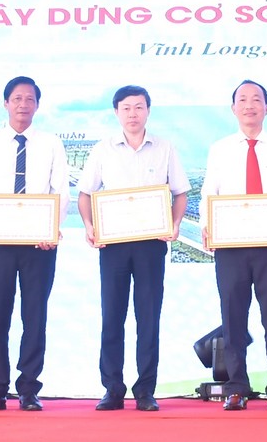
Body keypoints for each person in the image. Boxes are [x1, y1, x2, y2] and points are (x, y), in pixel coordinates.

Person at [78, 86, 189, 412]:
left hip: (151, 245)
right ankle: (112, 389)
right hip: (113, 244)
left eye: (139, 107)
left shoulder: (165, 148)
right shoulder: (103, 149)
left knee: (148, 317)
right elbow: (85, 194)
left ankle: (145, 391)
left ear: (148, 111)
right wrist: (89, 226)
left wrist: (174, 223)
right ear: (116, 112)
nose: (132, 114)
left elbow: (180, 192)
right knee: (112, 316)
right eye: (126, 108)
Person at [0, 76, 70, 412]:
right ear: (6, 103)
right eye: (16, 98)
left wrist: (51, 229)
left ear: (37, 105)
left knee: (34, 316)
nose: (23, 104)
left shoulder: (51, 144)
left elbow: (60, 191)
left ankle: (29, 389)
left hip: (39, 244)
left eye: (29, 99)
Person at [200, 79, 267, 411]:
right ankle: (236, 387)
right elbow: (209, 194)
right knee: (233, 318)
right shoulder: (220, 149)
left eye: (256, 99)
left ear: (266, 108)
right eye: (242, 99)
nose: (249, 105)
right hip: (231, 247)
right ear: (233, 108)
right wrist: (208, 227)